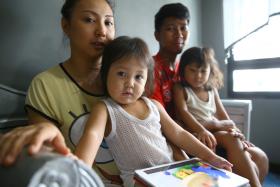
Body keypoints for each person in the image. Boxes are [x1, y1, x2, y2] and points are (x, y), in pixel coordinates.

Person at [74, 36, 233, 187]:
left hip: (173, 172)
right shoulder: (105, 109)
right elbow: (92, 136)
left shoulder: (154, 106)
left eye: (138, 77)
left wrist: (210, 157)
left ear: (146, 80)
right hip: (139, 179)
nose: (130, 83)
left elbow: (179, 134)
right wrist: (78, 176)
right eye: (121, 74)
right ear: (105, 73)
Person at [0, 0, 123, 185]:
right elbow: (49, 158)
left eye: (108, 22)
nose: (102, 31)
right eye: (89, 20)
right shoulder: (46, 85)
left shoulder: (126, 81)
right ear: (66, 25)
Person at [173, 47, 269, 187]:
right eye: (192, 70)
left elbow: (223, 114)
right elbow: (183, 112)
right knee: (231, 140)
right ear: (183, 70)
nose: (198, 76)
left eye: (203, 71)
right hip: (195, 133)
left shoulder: (211, 89)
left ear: (210, 71)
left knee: (259, 156)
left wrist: (236, 131)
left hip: (214, 131)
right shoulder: (180, 88)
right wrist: (201, 130)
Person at [149, 3, 189, 118]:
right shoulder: (150, 68)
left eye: (183, 28)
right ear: (157, 35)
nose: (179, 34)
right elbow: (159, 118)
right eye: (170, 29)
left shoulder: (187, 69)